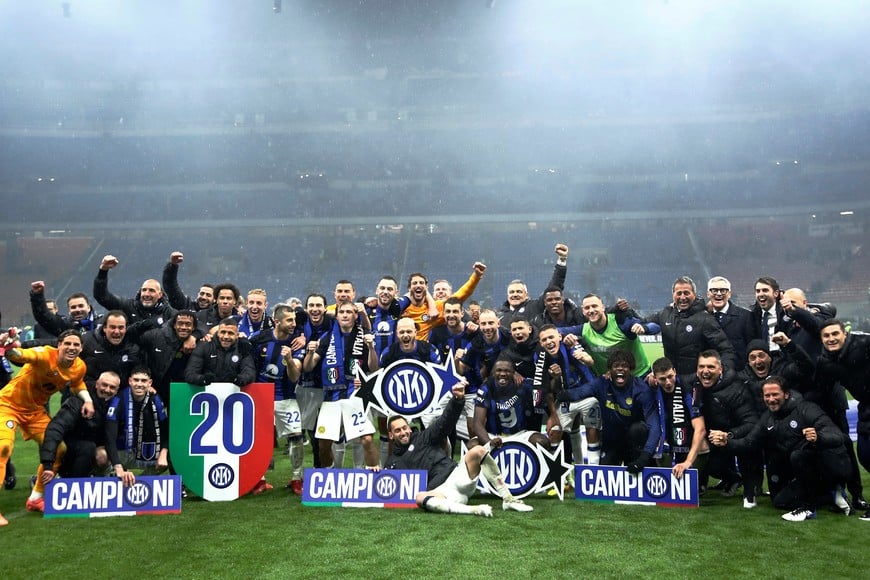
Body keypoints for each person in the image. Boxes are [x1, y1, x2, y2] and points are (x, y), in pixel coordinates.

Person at [710, 377, 853, 521]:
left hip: (829, 466)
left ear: (786, 394)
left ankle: (809, 508)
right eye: (767, 395)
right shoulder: (767, 418)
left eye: (775, 394)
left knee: (798, 455)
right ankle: (831, 494)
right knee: (779, 501)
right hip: (803, 472)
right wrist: (726, 442)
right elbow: (749, 443)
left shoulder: (806, 409)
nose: (771, 399)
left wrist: (819, 437)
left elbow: (837, 436)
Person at [385, 378, 527, 516]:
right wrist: (374, 471)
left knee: (477, 451)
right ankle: (474, 510)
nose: (403, 432)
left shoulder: (424, 437)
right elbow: (385, 488)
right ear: (391, 435)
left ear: (409, 428)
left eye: (405, 428)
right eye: (398, 430)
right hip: (441, 492)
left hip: (457, 475)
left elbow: (444, 422)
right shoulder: (392, 462)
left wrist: (457, 400)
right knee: (420, 498)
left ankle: (508, 499)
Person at [0, 329, 92, 526]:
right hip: (8, 405)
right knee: (3, 448)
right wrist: (8, 348)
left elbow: (77, 384)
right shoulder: (44, 354)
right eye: (67, 343)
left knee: (59, 449)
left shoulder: (79, 367)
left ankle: (36, 498)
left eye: (76, 345)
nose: (72, 348)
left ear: (81, 348)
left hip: (34, 412)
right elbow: (21, 355)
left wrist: (88, 400)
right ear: (59, 345)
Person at [32, 371, 136, 513]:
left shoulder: (117, 405)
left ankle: (99, 483)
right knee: (88, 447)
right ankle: (72, 488)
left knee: (102, 455)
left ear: (117, 390)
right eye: (104, 385)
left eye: (112, 387)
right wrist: (48, 465)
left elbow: (111, 438)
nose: (107, 390)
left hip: (95, 448)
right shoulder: (77, 401)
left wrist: (121, 467)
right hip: (71, 450)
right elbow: (55, 429)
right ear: (97, 384)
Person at [555, 349, 663, 472]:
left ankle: (645, 462)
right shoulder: (601, 383)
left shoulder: (641, 390)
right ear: (609, 370)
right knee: (605, 472)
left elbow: (654, 426)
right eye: (616, 366)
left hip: (635, 442)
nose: (620, 369)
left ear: (631, 369)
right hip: (612, 441)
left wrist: (645, 457)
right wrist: (556, 388)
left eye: (625, 366)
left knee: (637, 429)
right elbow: (577, 394)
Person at [302, 301, 379, 469]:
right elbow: (308, 366)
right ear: (336, 316)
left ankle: (373, 476)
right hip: (331, 397)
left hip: (356, 395)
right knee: (323, 444)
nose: (345, 315)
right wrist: (310, 352)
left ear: (355, 315)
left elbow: (374, 368)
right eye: (341, 312)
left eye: (349, 312)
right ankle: (330, 477)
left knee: (366, 439)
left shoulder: (365, 336)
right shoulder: (327, 337)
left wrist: (372, 348)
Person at [816, 318, 870, 518]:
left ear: (844, 334)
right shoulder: (826, 361)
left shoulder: (864, 343)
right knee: (864, 455)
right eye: (826, 336)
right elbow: (821, 389)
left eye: (835, 334)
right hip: (865, 407)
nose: (831, 339)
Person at [692, 350, 759, 506]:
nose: (705, 371)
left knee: (742, 452)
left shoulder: (736, 390)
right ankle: (733, 478)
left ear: (720, 369)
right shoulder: (695, 384)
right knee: (703, 461)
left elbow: (752, 422)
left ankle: (747, 488)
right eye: (701, 367)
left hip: (734, 437)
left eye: (711, 367)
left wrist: (729, 435)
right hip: (711, 437)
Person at [251, 303, 305, 494]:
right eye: (289, 320)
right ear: (276, 321)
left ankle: (297, 478)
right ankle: (259, 479)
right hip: (260, 397)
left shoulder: (297, 343)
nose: (293, 324)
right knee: (258, 439)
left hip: (286, 397)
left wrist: (290, 360)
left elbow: (294, 376)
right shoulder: (258, 339)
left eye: (294, 320)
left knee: (296, 435)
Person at [644, 276, 736, 375]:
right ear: (673, 295)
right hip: (672, 380)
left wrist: (722, 373)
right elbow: (643, 322)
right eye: (679, 293)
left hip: (697, 381)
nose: (683, 297)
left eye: (686, 293)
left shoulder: (705, 319)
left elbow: (726, 349)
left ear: (694, 295)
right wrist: (628, 313)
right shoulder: (666, 314)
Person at [537, 324, 600, 466]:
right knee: (554, 431)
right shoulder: (540, 358)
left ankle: (591, 471)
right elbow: (547, 388)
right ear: (540, 343)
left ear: (559, 337)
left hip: (587, 396)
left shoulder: (569, 345)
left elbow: (589, 361)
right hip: (565, 397)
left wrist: (585, 357)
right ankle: (555, 474)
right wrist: (555, 378)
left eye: (551, 337)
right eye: (544, 339)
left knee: (593, 429)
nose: (548, 341)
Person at [652, 357, 708, 480]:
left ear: (675, 372)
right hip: (666, 438)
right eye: (662, 379)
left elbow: (700, 429)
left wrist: (688, 462)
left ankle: (699, 480)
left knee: (703, 445)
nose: (667, 382)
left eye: (670, 376)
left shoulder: (688, 388)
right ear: (655, 378)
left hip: (687, 437)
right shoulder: (651, 388)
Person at [105, 368, 169, 475]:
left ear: (150, 383)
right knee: (102, 456)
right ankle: (112, 477)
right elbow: (109, 436)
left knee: (170, 456)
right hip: (122, 451)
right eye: (136, 380)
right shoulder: (119, 399)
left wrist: (163, 452)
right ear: (130, 381)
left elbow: (165, 429)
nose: (139, 384)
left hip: (147, 451)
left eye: (143, 381)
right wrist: (117, 465)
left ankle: (141, 483)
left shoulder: (155, 399)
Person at [400, 262, 486, 340]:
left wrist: (476, 276)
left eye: (421, 283)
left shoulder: (440, 307)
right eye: (415, 283)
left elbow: (462, 294)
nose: (418, 285)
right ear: (409, 288)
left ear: (427, 288)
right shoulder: (401, 307)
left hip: (426, 352)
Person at [94, 254, 176, 325]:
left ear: (160, 295)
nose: (146, 294)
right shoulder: (129, 307)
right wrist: (103, 271)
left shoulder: (169, 314)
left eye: (151, 290)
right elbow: (102, 297)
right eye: (144, 290)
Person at [139, 309, 199, 405]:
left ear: (194, 327)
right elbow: (136, 344)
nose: (183, 327)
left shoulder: (200, 341)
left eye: (188, 324)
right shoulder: (157, 336)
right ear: (174, 325)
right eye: (180, 323)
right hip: (156, 389)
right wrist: (146, 382)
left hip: (184, 392)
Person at [496, 243, 569, 319]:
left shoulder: (535, 307)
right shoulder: (499, 316)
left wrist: (562, 260)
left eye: (519, 291)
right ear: (507, 296)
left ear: (527, 295)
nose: (515, 294)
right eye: (512, 292)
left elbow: (554, 287)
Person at [706, 276, 755, 371]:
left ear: (729, 294)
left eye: (723, 290)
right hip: (710, 376)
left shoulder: (745, 316)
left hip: (738, 375)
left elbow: (751, 347)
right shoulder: (703, 318)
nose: (719, 294)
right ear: (708, 294)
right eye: (714, 290)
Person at [29, 281, 103, 337]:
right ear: (69, 310)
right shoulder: (65, 326)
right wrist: (37, 296)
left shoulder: (102, 323)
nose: (77, 310)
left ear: (88, 307)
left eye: (80, 306)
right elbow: (44, 317)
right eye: (73, 307)